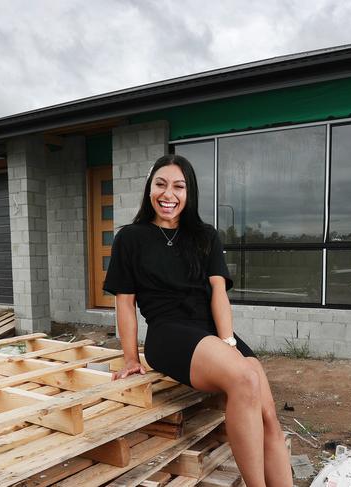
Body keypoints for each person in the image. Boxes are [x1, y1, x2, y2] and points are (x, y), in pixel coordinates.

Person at [103, 154, 292, 487]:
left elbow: (219, 293)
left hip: (210, 331)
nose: (168, 194)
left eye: (178, 186)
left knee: (269, 416)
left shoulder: (205, 236)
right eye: (160, 184)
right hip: (168, 332)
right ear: (150, 188)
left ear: (189, 193)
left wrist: (228, 342)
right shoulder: (130, 238)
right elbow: (125, 302)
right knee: (245, 380)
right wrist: (131, 358)